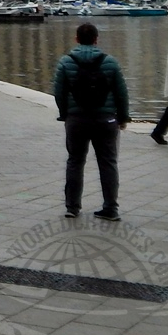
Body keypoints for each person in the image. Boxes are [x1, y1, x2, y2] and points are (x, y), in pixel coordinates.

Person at [53, 22, 130, 221]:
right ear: (96, 39)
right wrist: (122, 117)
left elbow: (59, 92)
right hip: (105, 120)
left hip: (76, 120)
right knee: (108, 163)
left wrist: (65, 114)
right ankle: (111, 208)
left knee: (75, 161)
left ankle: (72, 207)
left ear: (76, 39)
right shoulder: (110, 62)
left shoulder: (65, 62)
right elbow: (122, 93)